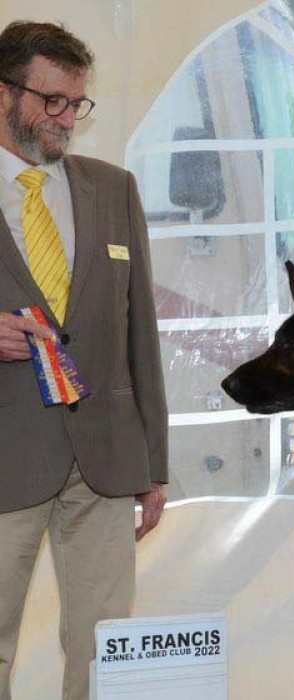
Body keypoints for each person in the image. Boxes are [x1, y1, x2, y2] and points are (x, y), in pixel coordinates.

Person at [0, 21, 168, 700]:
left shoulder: (113, 188)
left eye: (76, 103)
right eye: (52, 101)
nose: (67, 119)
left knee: (106, 655)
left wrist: (153, 464)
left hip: (106, 459)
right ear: (3, 93)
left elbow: (141, 334)